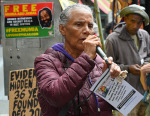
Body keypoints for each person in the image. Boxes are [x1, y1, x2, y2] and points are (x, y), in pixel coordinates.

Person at [34, 4, 121, 116]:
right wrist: (87, 58)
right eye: (79, 24)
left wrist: (110, 80)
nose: (86, 31)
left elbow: (117, 104)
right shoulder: (46, 61)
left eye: (90, 26)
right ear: (62, 29)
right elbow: (55, 96)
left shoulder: (99, 61)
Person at [105, 4, 150, 116]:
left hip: (144, 91)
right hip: (125, 94)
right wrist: (128, 68)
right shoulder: (112, 39)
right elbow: (108, 67)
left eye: (139, 22)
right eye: (132, 21)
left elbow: (148, 55)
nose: (135, 25)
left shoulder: (145, 35)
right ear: (125, 19)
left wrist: (146, 65)